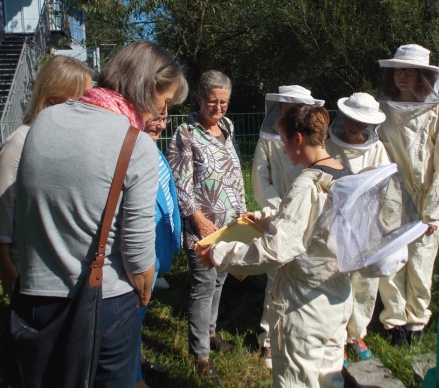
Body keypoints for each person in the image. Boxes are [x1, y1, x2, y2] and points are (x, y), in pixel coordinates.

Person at [13, 40, 187, 386]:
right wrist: (145, 289)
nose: (159, 115)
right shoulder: (134, 143)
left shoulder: (45, 121)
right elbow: (137, 253)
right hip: (103, 301)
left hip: (34, 296)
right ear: (145, 87)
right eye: (164, 102)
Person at [197, 104, 354, 387]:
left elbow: (275, 250)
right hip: (338, 295)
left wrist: (220, 254)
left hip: (305, 305)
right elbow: (313, 222)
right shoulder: (342, 171)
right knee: (330, 377)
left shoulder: (306, 184)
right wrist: (265, 216)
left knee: (297, 380)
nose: (282, 151)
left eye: (284, 142)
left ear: (298, 139)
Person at [0, 55, 93, 299]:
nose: (90, 104)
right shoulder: (21, 141)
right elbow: (0, 207)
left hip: (74, 272)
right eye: (82, 97)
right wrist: (5, 261)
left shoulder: (76, 142)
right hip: (32, 273)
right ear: (54, 97)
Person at [167, 70, 243, 381]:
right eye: (212, 101)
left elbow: (231, 173)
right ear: (199, 99)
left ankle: (211, 335)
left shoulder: (228, 126)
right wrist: (196, 217)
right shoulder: (185, 133)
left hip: (231, 224)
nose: (219, 107)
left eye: (224, 102)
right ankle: (199, 354)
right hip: (204, 226)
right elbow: (180, 182)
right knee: (202, 286)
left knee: (219, 281)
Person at [377, 44, 439, 346]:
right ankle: (394, 321)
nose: (402, 76)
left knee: (421, 261)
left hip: (425, 196)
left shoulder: (438, 109)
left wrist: (434, 210)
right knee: (392, 259)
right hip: (391, 194)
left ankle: (417, 321)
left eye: (409, 71)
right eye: (399, 70)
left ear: (423, 75)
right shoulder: (383, 109)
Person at [251, 85, 324, 368]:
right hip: (278, 214)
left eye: (293, 106)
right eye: (284, 105)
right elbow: (260, 178)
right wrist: (280, 208)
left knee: (307, 273)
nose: (286, 110)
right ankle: (270, 339)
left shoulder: (311, 138)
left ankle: (302, 333)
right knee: (276, 277)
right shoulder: (269, 139)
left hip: (310, 216)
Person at [324, 92, 390, 359]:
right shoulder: (329, 146)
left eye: (360, 122)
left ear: (369, 125)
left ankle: (356, 334)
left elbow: (385, 183)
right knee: (335, 277)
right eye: (350, 119)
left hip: (367, 221)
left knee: (365, 281)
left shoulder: (377, 149)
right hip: (335, 221)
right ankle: (334, 337)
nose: (353, 126)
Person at [136, 102, 188, 386]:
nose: (160, 124)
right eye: (154, 118)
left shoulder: (153, 149)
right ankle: (131, 372)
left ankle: (134, 361)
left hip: (155, 246)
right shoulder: (135, 152)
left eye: (164, 118)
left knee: (139, 312)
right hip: (143, 250)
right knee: (135, 311)